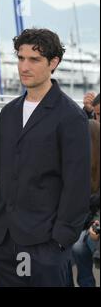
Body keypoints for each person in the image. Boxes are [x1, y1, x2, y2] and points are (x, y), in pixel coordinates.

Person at [0, 28, 91, 287]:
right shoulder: (8, 113)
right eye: (21, 58)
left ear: (53, 63)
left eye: (34, 60)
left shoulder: (71, 117)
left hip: (44, 244)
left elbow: (77, 184)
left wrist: (60, 241)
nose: (24, 66)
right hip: (1, 241)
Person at [71, 119, 100, 287]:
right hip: (77, 222)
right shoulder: (76, 164)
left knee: (77, 247)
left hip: (92, 225)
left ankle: (86, 282)